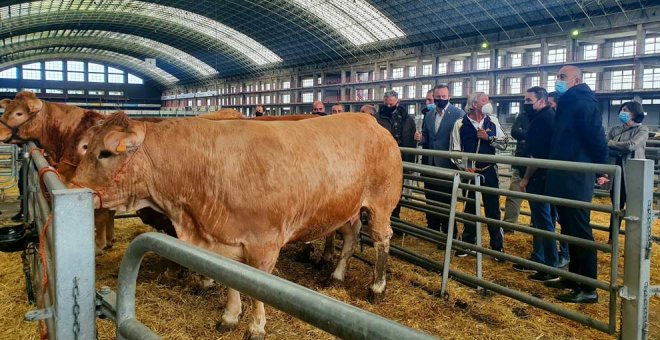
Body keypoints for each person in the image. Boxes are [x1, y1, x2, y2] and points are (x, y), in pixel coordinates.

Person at [544, 65, 608, 303]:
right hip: (566, 172)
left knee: (580, 229)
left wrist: (602, 167)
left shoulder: (582, 101)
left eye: (563, 77)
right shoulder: (570, 101)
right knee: (569, 228)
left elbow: (595, 135)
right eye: (557, 76)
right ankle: (574, 277)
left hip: (576, 173)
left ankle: (589, 287)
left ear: (576, 80)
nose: (558, 81)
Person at [516, 87, 568, 282]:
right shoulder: (551, 117)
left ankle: (551, 266)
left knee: (543, 221)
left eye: (529, 100)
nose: (526, 103)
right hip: (550, 177)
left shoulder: (541, 121)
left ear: (541, 101)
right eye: (524, 99)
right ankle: (542, 259)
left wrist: (526, 178)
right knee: (545, 220)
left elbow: (536, 156)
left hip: (539, 178)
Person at [450, 92, 508, 257]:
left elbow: (504, 144)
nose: (488, 102)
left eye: (488, 99)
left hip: (489, 170)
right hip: (470, 172)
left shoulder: (493, 121)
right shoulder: (460, 123)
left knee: (493, 209)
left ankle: (497, 247)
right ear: (474, 104)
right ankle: (468, 243)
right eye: (484, 100)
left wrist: (488, 138)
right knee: (469, 207)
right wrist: (465, 167)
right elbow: (455, 149)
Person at [414, 84, 464, 235]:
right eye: (438, 97)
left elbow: (460, 140)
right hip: (429, 164)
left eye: (443, 96)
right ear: (434, 97)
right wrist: (420, 138)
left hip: (447, 165)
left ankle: (450, 234)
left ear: (449, 97)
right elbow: (428, 139)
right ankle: (434, 231)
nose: (440, 99)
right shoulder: (429, 115)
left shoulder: (458, 114)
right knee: (431, 197)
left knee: (446, 201)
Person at [597, 101, 648, 241]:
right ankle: (612, 239)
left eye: (626, 110)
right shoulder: (615, 129)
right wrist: (614, 146)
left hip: (633, 175)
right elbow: (604, 147)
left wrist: (611, 143)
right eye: (622, 110)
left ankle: (634, 241)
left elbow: (631, 146)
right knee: (616, 208)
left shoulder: (642, 130)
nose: (622, 112)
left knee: (635, 209)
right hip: (616, 175)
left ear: (635, 113)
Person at [376, 90, 416, 218]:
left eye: (391, 104)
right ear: (383, 102)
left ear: (397, 102)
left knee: (397, 189)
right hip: (383, 160)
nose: (388, 107)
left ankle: (395, 217)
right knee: (381, 189)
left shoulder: (407, 119)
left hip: (400, 158)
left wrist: (409, 162)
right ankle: (380, 218)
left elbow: (411, 140)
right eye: (386, 104)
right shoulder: (377, 118)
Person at [502, 100, 531, 231]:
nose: (527, 103)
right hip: (521, 161)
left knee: (538, 198)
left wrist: (526, 135)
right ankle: (509, 224)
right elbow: (514, 132)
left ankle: (536, 225)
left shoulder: (547, 116)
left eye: (529, 100)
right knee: (514, 194)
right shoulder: (523, 115)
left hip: (540, 166)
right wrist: (532, 135)